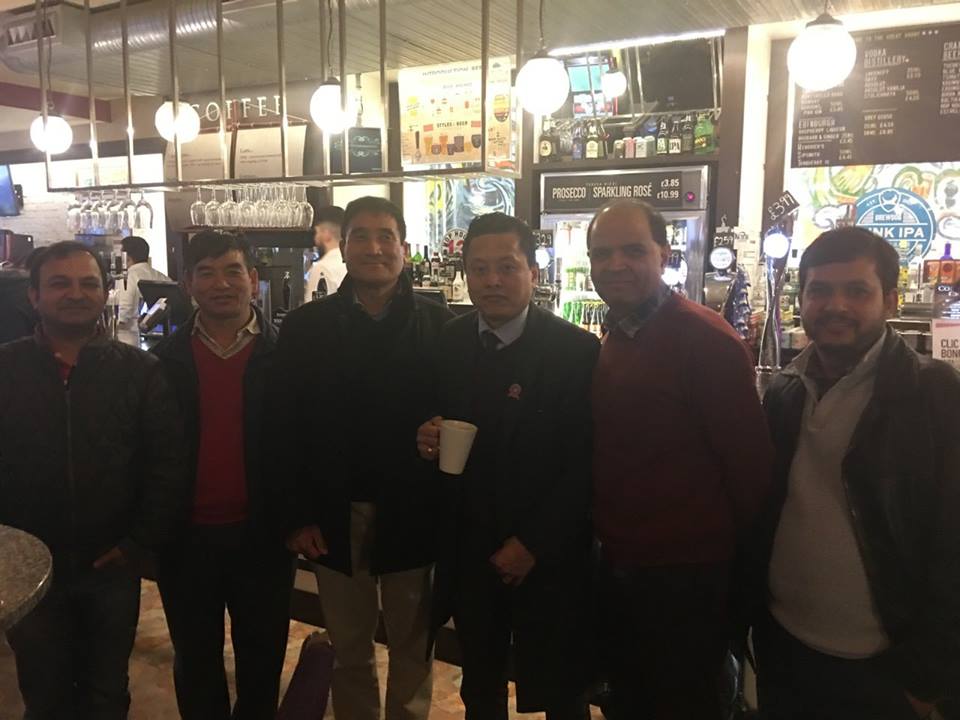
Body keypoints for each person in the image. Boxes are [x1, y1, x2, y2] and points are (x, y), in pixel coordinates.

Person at [752, 227, 960, 720]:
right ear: (801, 299)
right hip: (785, 644)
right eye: (820, 290)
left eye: (857, 291)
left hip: (884, 666)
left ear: (890, 300)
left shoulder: (934, 394)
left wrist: (927, 675)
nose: (835, 306)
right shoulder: (785, 390)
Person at [587, 200, 773, 719]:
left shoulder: (706, 340)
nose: (615, 265)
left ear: (664, 255)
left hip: (687, 579)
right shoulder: (619, 335)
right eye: (602, 254)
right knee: (630, 701)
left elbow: (752, 473)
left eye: (632, 250)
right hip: (623, 567)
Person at [272, 196, 452, 720]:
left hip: (414, 511)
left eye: (385, 236)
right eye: (361, 237)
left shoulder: (441, 326)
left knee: (414, 646)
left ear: (404, 248)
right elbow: (285, 427)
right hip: (334, 512)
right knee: (349, 648)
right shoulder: (306, 328)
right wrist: (297, 516)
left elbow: (463, 411)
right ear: (344, 248)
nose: (375, 248)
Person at [416, 213, 599, 720]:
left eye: (507, 267)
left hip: (549, 554)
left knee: (562, 690)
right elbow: (433, 420)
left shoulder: (576, 350)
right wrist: (427, 436)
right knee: (481, 686)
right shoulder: (450, 341)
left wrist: (532, 544)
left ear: (533, 274)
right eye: (479, 269)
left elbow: (585, 462)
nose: (492, 280)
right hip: (469, 549)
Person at [0, 240, 187, 719]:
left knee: (107, 691)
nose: (75, 293)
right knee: (43, 693)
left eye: (88, 283)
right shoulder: (5, 368)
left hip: (111, 564)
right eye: (59, 283)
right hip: (30, 569)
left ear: (105, 292)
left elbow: (166, 464)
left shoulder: (140, 370)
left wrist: (138, 542)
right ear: (34, 296)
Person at [152, 231, 294, 720]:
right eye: (207, 273)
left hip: (263, 537)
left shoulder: (285, 356)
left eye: (233, 271)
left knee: (263, 661)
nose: (221, 284)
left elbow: (304, 443)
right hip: (185, 539)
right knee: (195, 663)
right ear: (187, 284)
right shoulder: (162, 362)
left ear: (253, 279)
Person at [116, 235, 171, 346]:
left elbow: (123, 314)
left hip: (127, 340)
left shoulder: (127, 277)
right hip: (162, 340)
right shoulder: (163, 277)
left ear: (126, 257)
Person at [304, 205, 347, 302]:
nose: (315, 238)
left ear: (326, 234)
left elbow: (313, 309)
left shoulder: (322, 269)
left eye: (317, 232)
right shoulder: (353, 264)